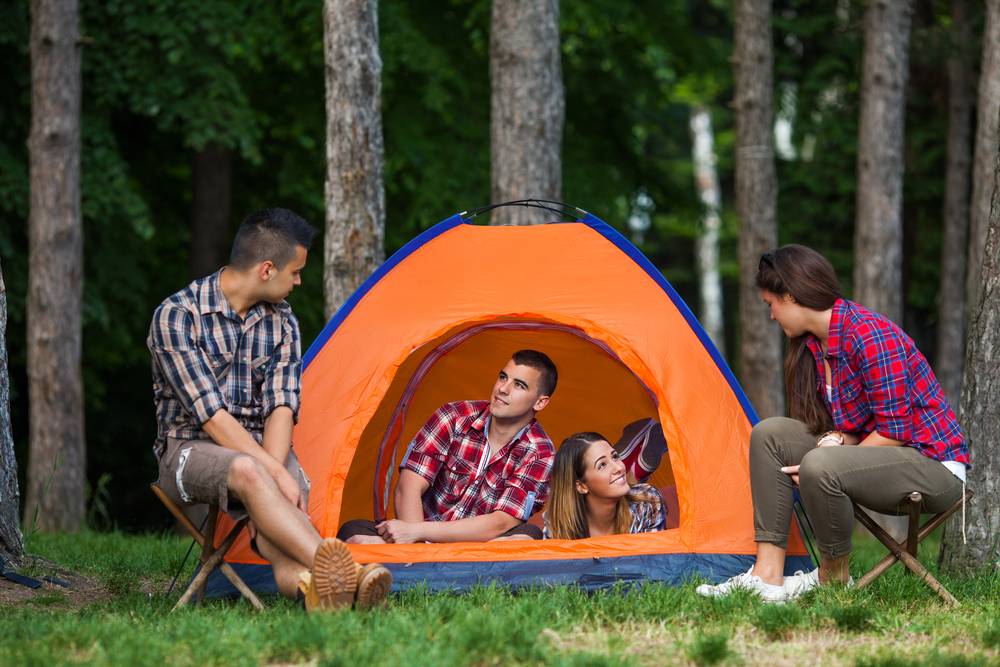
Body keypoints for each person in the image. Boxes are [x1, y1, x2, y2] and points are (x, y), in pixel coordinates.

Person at [148, 208, 390, 611]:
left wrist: (273, 470)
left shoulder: (283, 322)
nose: (298, 281)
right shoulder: (177, 316)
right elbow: (211, 416)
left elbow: (281, 404)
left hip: (265, 449)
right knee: (248, 470)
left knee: (272, 532)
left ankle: (324, 594)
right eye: (294, 272)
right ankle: (349, 574)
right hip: (188, 451)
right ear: (265, 269)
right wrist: (275, 473)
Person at [697, 244, 969, 602]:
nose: (772, 316)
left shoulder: (870, 335)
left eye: (772, 305)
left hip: (934, 467)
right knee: (769, 435)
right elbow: (855, 426)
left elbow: (895, 430)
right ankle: (766, 576)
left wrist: (825, 462)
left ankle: (832, 578)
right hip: (886, 459)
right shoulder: (815, 346)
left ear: (791, 296)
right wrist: (838, 441)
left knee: (821, 463)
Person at [338, 350, 558, 543]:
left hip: (477, 549)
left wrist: (417, 531)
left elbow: (500, 523)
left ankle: (419, 567)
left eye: (519, 385)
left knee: (526, 536)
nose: (503, 389)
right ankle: (418, 568)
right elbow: (409, 487)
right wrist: (415, 548)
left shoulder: (541, 453)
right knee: (353, 532)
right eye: (503, 377)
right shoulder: (452, 416)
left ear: (540, 402)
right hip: (417, 536)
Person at [542, 432, 666, 539]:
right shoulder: (558, 523)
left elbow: (652, 563)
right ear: (581, 486)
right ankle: (637, 470)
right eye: (602, 465)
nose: (618, 467)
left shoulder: (647, 502)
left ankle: (637, 470)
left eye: (615, 457)